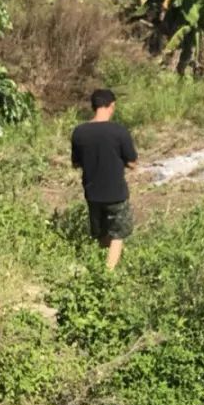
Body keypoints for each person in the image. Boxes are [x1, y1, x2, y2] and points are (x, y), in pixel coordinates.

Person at [71, 89, 138, 271]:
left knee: (102, 234)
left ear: (93, 107)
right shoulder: (119, 131)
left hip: (92, 193)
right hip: (116, 192)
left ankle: (101, 265)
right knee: (118, 234)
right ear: (112, 106)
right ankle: (107, 275)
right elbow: (132, 163)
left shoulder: (79, 132)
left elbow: (76, 163)